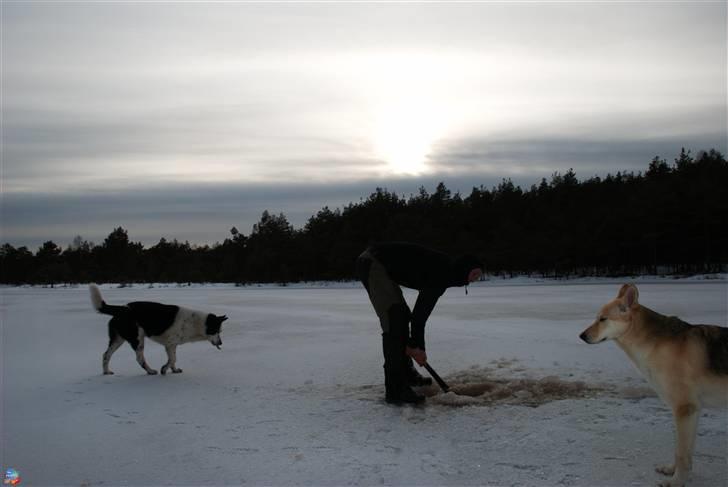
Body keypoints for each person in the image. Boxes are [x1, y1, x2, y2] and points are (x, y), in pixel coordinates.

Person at [356, 242, 484, 404]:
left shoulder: (447, 272)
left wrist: (416, 346)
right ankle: (395, 390)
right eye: (474, 274)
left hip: (379, 262)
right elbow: (419, 317)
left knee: (400, 315)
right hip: (373, 262)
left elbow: (419, 316)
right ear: (464, 269)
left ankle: (407, 375)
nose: (476, 279)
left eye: (479, 276)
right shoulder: (442, 273)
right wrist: (418, 347)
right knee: (394, 319)